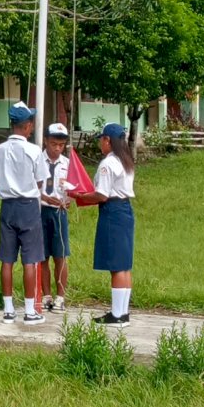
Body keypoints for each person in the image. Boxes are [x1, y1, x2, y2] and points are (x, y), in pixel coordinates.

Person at [0, 101, 48, 324]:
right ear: (28, 125)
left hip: (7, 207)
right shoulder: (34, 151)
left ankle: (8, 310)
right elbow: (40, 182)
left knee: (7, 259)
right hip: (28, 206)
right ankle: (30, 311)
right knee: (30, 260)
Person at [78, 123, 135, 327]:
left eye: (101, 139)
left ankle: (117, 315)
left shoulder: (108, 163)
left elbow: (101, 195)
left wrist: (79, 196)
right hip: (125, 210)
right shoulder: (126, 161)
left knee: (116, 266)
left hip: (112, 211)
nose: (100, 143)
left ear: (108, 140)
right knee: (124, 264)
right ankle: (123, 312)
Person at [38, 122, 72, 311]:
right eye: (53, 144)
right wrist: (44, 198)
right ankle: (46, 295)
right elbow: (30, 187)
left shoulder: (67, 164)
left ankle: (60, 296)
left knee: (60, 254)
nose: (57, 148)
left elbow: (74, 188)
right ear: (45, 141)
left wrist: (69, 200)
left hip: (59, 212)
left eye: (61, 145)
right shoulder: (37, 161)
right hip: (41, 211)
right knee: (42, 255)